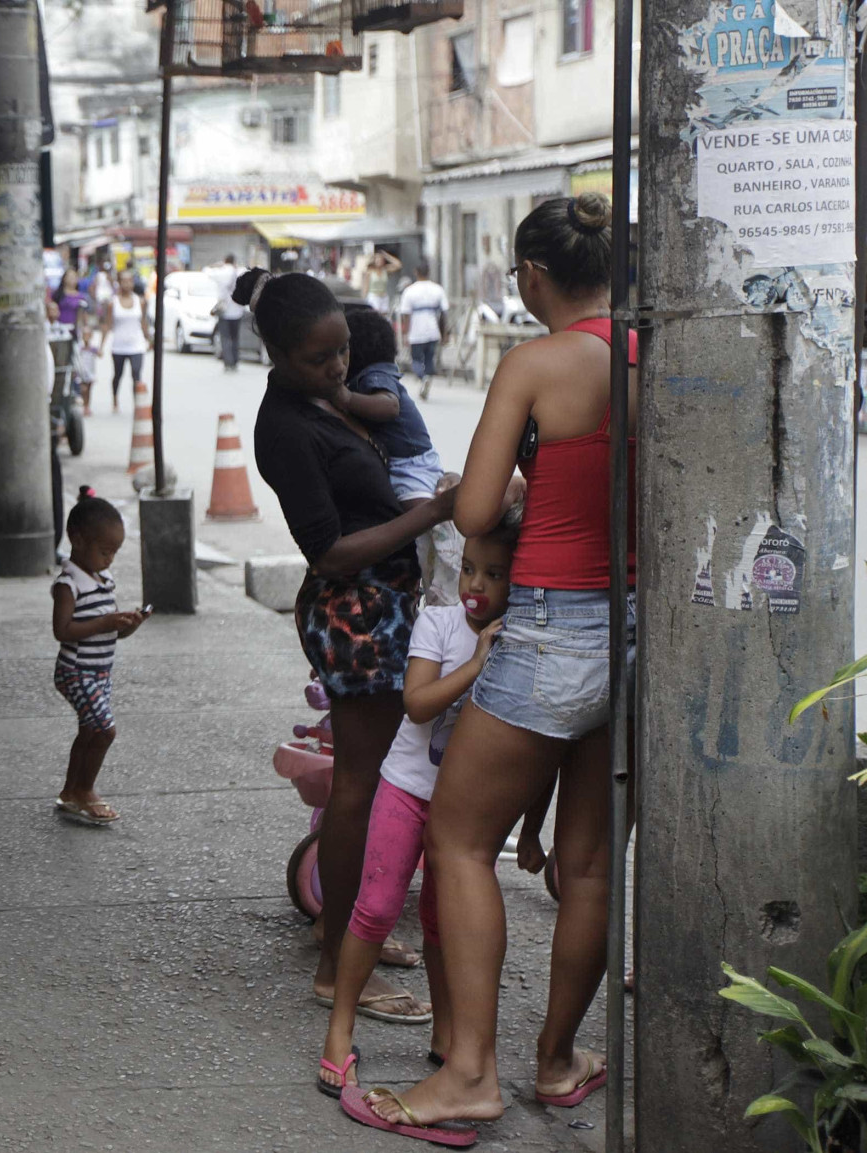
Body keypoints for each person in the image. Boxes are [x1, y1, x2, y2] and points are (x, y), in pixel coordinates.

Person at [357, 193, 630, 1140]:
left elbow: (475, 513)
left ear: (532, 277)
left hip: (552, 623)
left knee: (460, 840)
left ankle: (469, 1072)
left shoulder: (536, 362)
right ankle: (557, 1060)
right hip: (633, 633)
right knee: (589, 864)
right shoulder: (649, 351)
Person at [241, 266, 460, 1033]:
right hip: (355, 612)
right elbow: (330, 550)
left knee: (376, 781)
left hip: (382, 602)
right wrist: (430, 511)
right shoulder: (285, 427)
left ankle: (347, 935)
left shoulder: (322, 400)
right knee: (361, 787)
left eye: (340, 353)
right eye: (318, 358)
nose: (336, 369)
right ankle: (338, 964)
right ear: (274, 352)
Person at [318, 518, 519, 1102]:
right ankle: (339, 1031)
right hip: (406, 788)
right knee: (377, 906)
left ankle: (447, 1034)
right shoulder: (439, 623)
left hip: (464, 807)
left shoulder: (520, 639)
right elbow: (415, 702)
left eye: (496, 574)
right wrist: (477, 664)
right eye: (469, 570)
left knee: (443, 922)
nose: (476, 584)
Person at [340, 304, 461, 604]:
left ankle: (451, 553)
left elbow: (388, 406)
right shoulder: (368, 376)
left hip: (411, 463)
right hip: (407, 462)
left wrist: (344, 398)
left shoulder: (372, 376)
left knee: (423, 515)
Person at [51, 487, 148, 826]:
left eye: (114, 552)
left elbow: (110, 631)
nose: (109, 559)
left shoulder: (103, 579)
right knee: (104, 730)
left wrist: (127, 624)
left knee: (89, 731)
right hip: (76, 671)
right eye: (104, 550)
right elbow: (63, 630)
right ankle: (87, 790)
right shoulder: (69, 583)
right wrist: (106, 621)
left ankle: (70, 791)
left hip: (99, 671)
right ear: (76, 539)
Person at [398, 264, 449, 401]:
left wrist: (405, 334)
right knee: (429, 359)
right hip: (433, 330)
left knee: (416, 360)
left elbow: (406, 315)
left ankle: (422, 377)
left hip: (416, 331)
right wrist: (444, 333)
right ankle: (426, 378)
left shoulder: (409, 291)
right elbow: (444, 313)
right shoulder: (438, 289)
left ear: (416, 272)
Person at [101, 274, 152, 412]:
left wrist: (149, 339)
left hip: (136, 344)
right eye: (124, 281)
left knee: (136, 373)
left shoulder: (140, 301)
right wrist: (101, 345)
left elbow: (143, 322)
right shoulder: (114, 303)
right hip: (119, 345)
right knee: (118, 375)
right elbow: (107, 324)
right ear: (119, 283)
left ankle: (138, 403)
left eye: (129, 281)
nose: (127, 284)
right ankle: (115, 399)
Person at [213, 253, 246, 370]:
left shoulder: (222, 272)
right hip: (237, 311)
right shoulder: (240, 272)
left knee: (225, 338)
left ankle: (228, 362)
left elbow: (206, 271)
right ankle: (235, 361)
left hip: (225, 311)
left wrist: (218, 266)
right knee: (235, 337)